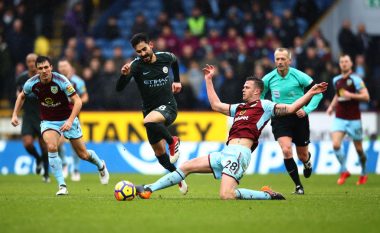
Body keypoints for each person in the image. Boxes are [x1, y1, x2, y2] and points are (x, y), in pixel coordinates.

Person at [135, 64, 328, 200]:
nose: (243, 90)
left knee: (226, 195)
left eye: (247, 87)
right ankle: (148, 189)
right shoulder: (240, 108)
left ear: (256, 91)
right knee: (186, 166)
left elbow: (292, 107)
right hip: (225, 152)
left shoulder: (266, 105)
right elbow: (216, 105)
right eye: (244, 87)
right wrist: (208, 80)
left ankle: (266, 195)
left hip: (240, 154)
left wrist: (310, 93)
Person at [11, 56, 109, 195]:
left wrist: (69, 121)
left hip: (67, 118)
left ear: (51, 67)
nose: (44, 71)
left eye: (46, 67)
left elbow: (78, 101)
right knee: (51, 146)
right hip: (48, 121)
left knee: (83, 154)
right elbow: (22, 96)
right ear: (37, 70)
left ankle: (101, 165)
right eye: (40, 68)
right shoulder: (31, 83)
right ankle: (62, 186)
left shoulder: (61, 81)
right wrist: (15, 114)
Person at [116, 33, 187, 194]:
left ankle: (173, 140)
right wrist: (124, 75)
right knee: (159, 154)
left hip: (168, 107)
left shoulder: (165, 57)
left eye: (144, 49)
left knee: (148, 122)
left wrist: (177, 80)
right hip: (150, 112)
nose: (142, 54)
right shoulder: (136, 66)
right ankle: (178, 177)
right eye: (138, 52)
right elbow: (119, 89)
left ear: (151, 45)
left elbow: (175, 61)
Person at [261, 48, 323, 195]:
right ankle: (298, 186)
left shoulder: (299, 76)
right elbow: (261, 96)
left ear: (289, 60)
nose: (280, 62)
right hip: (280, 118)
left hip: (299, 117)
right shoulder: (268, 78)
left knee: (302, 155)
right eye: (277, 59)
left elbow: (318, 93)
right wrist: (268, 108)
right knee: (286, 150)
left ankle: (307, 162)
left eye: (283, 59)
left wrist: (306, 110)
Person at [326, 54, 370, 185]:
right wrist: (331, 107)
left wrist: (350, 95)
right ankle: (344, 170)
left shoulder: (356, 79)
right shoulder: (336, 80)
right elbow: (338, 94)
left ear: (351, 64)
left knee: (359, 149)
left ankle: (363, 172)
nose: (344, 64)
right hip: (339, 117)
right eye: (341, 62)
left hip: (354, 119)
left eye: (346, 61)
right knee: (335, 144)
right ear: (339, 64)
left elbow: (366, 97)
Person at [15, 53, 50, 182]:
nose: (31, 63)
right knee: (28, 143)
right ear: (26, 63)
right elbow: (19, 96)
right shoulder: (21, 79)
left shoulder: (45, 78)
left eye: (33, 61)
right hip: (28, 115)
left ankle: (46, 175)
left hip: (42, 115)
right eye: (28, 61)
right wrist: (16, 114)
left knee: (44, 147)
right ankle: (38, 158)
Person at [57, 58, 89, 182]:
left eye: (65, 65)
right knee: (58, 143)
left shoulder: (78, 82)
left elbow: (85, 97)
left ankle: (75, 169)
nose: (63, 68)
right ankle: (64, 162)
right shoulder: (55, 81)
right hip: (58, 116)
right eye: (60, 66)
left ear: (69, 67)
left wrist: (76, 101)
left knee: (75, 145)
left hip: (73, 116)